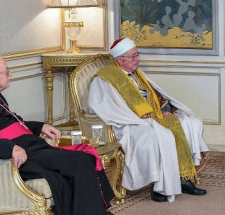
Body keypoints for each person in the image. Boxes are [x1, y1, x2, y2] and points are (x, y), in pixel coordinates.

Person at [0, 53, 133, 215]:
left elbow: (11, 125)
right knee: (80, 161)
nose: (10, 74)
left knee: (87, 155)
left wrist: (40, 126)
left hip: (32, 148)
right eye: (6, 72)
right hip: (21, 158)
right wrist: (9, 148)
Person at [88, 38, 209, 202]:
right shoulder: (106, 79)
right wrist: (143, 118)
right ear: (120, 60)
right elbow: (107, 108)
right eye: (133, 56)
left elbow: (157, 95)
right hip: (130, 123)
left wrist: (165, 110)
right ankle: (159, 187)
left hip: (153, 116)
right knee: (160, 134)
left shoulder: (137, 74)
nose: (138, 59)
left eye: (137, 54)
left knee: (189, 121)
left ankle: (183, 179)